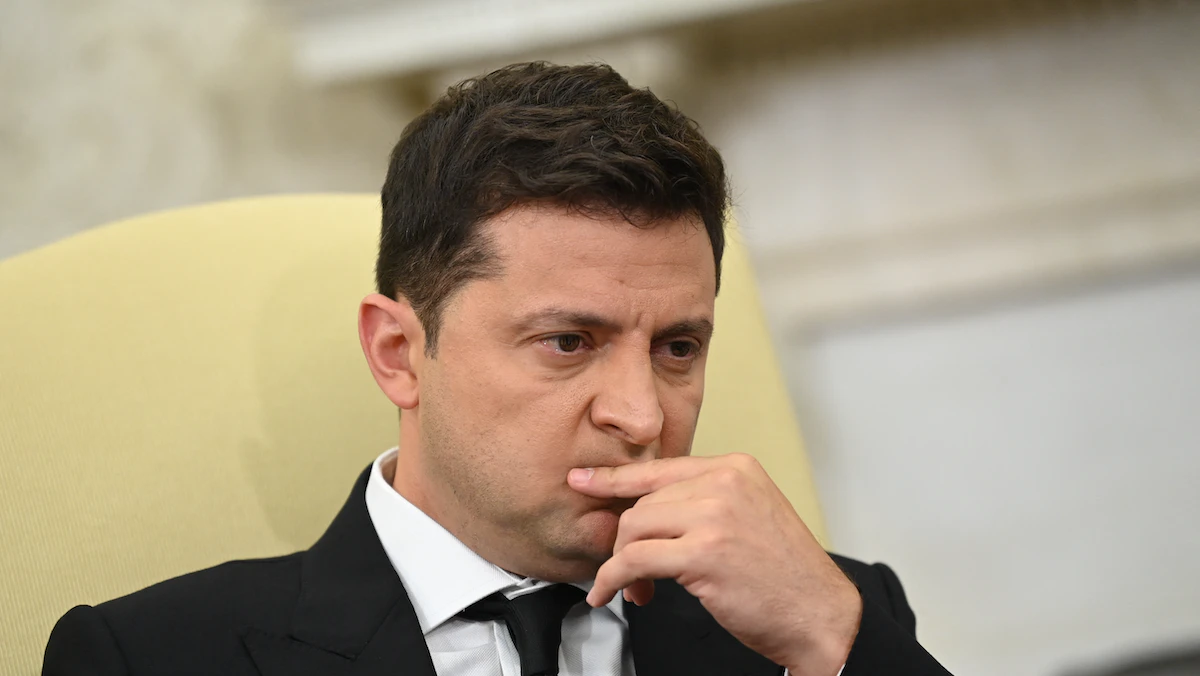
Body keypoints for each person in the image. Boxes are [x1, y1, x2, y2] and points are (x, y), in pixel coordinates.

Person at [43, 62, 952, 676]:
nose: (642, 416)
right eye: (568, 342)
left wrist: (837, 639)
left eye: (677, 347)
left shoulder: (825, 618)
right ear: (399, 354)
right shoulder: (150, 657)